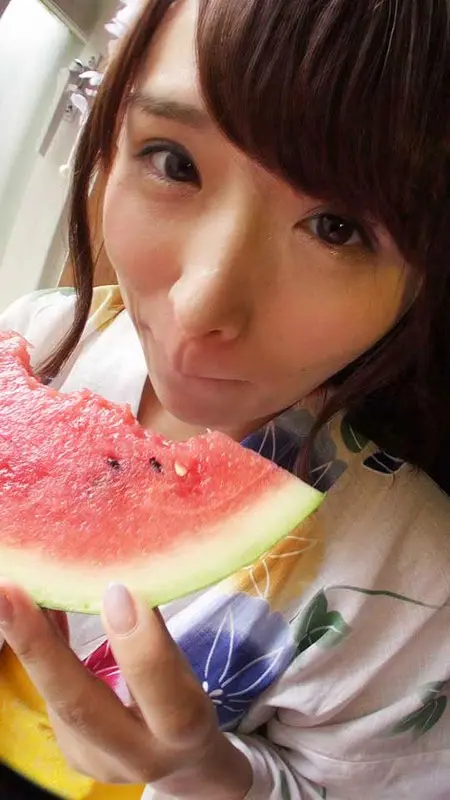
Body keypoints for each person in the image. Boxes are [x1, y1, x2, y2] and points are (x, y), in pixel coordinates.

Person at [0, 0, 449, 797]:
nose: (200, 304)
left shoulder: (418, 592)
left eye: (337, 227)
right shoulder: (35, 340)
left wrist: (210, 772)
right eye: (174, 162)